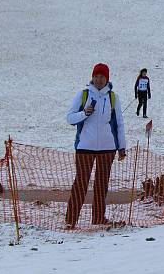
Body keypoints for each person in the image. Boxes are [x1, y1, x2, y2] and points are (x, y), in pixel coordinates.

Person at [65, 63, 126, 229]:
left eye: (102, 77)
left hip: (107, 148)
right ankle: (71, 220)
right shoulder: (82, 95)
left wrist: (122, 147)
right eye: (96, 76)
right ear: (92, 77)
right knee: (81, 184)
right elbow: (70, 118)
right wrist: (84, 113)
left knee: (102, 185)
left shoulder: (113, 97)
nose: (99, 80)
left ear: (107, 78)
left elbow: (119, 124)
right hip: (85, 147)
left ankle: (98, 218)